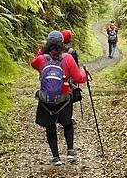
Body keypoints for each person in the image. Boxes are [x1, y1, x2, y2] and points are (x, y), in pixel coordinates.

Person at [31, 31, 87, 166]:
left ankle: (56, 157)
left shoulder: (41, 60)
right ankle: (70, 152)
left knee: (50, 127)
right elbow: (79, 78)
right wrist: (85, 73)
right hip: (64, 99)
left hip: (46, 101)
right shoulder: (67, 58)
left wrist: (41, 49)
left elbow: (33, 63)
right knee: (67, 124)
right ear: (62, 43)